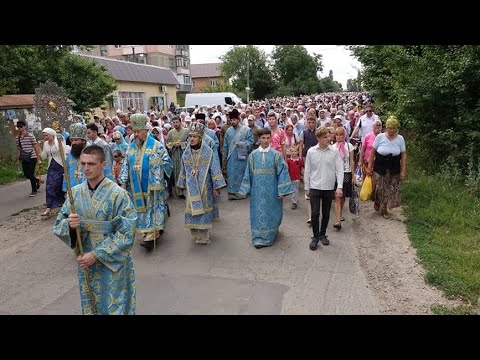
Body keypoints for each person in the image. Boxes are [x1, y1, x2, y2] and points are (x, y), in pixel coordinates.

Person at [53, 145, 137, 315]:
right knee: (92, 306)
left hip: (112, 262)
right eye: (83, 164)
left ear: (103, 164)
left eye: (91, 164)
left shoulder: (119, 194)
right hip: (86, 258)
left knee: (114, 305)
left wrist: (96, 255)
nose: (86, 168)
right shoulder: (74, 194)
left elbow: (127, 232)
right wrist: (70, 225)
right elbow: (58, 224)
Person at [118, 113, 173, 251]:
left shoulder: (156, 146)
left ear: (145, 131)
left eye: (138, 132)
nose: (135, 135)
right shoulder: (131, 146)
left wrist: (157, 164)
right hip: (136, 187)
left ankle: (152, 235)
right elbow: (126, 163)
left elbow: (168, 164)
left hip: (153, 187)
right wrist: (123, 180)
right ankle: (148, 232)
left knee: (153, 209)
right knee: (141, 210)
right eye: (134, 131)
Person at [238, 128, 293, 249]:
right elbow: (248, 173)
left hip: (272, 191)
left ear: (271, 138)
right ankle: (258, 237)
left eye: (268, 138)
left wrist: (282, 191)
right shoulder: (253, 155)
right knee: (257, 213)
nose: (265, 140)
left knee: (272, 213)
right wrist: (244, 190)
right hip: (257, 192)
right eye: (263, 138)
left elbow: (282, 173)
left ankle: (271, 234)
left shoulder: (276, 155)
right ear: (259, 139)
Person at [177, 123, 226, 245]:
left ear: (200, 138)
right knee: (192, 209)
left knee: (204, 209)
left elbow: (214, 168)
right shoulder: (186, 153)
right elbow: (183, 169)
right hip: (191, 187)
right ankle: (196, 232)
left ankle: (204, 234)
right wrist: (181, 184)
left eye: (195, 136)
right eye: (190, 136)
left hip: (205, 187)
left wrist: (216, 186)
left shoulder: (208, 152)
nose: (192, 139)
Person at [304, 126, 344, 251]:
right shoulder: (311, 152)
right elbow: (308, 171)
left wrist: (340, 187)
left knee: (326, 213)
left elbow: (339, 170)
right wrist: (306, 187)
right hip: (315, 186)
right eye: (325, 137)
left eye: (329, 136)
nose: (328, 139)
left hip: (328, 187)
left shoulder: (334, 151)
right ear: (318, 138)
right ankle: (315, 237)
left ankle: (322, 234)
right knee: (315, 213)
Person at [366, 116, 407, 219]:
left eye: (394, 128)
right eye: (389, 128)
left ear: (397, 128)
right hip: (380, 166)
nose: (391, 130)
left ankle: (384, 208)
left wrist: (403, 171)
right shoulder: (380, 137)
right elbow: (372, 153)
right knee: (380, 188)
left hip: (394, 166)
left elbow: (403, 155)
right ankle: (378, 201)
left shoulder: (400, 138)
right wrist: (369, 167)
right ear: (386, 128)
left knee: (391, 189)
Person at [223, 109, 254, 200]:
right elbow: (225, 144)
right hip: (231, 157)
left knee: (242, 173)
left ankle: (242, 192)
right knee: (232, 173)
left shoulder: (246, 130)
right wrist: (225, 156)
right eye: (231, 120)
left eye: (234, 120)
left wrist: (242, 144)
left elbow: (251, 142)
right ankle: (232, 192)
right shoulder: (228, 131)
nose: (232, 122)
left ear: (238, 119)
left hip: (242, 156)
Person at [39, 128, 67, 216]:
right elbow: (43, 156)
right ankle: (49, 207)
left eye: (47, 135)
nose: (45, 137)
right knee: (49, 187)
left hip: (60, 166)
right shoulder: (46, 144)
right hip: (51, 167)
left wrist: (66, 167)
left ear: (52, 134)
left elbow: (64, 154)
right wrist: (37, 148)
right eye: (44, 135)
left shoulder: (58, 142)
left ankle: (62, 203)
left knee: (59, 187)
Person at [332, 127, 355, 230]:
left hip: (346, 173)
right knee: (337, 196)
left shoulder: (349, 146)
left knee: (343, 196)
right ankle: (337, 220)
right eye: (337, 135)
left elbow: (352, 161)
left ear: (344, 135)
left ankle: (340, 212)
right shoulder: (332, 147)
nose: (339, 137)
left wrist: (353, 175)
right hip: (336, 174)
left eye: (341, 135)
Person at [15, 120, 41, 197]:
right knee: (26, 175)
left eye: (21, 126)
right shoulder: (17, 138)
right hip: (24, 157)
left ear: (24, 126)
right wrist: (17, 159)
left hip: (32, 157)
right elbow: (19, 149)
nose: (19, 128)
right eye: (18, 127)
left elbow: (36, 147)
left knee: (30, 173)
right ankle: (37, 180)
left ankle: (34, 191)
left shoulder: (30, 136)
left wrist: (38, 158)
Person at [166, 115, 189, 198]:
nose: (175, 124)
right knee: (176, 172)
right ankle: (179, 191)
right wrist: (173, 144)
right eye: (174, 122)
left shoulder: (186, 131)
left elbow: (190, 141)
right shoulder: (170, 132)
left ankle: (186, 191)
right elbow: (168, 142)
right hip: (175, 154)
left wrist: (182, 144)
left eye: (177, 122)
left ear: (180, 122)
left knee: (186, 171)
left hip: (184, 153)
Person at [286, 145, 304, 210]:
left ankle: (294, 202)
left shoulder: (299, 160)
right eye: (292, 151)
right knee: (293, 190)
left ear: (297, 152)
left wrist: (302, 175)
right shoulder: (288, 160)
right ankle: (295, 199)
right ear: (290, 152)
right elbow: (287, 169)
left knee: (295, 190)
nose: (293, 153)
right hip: (290, 177)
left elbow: (302, 167)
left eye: (295, 151)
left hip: (297, 178)